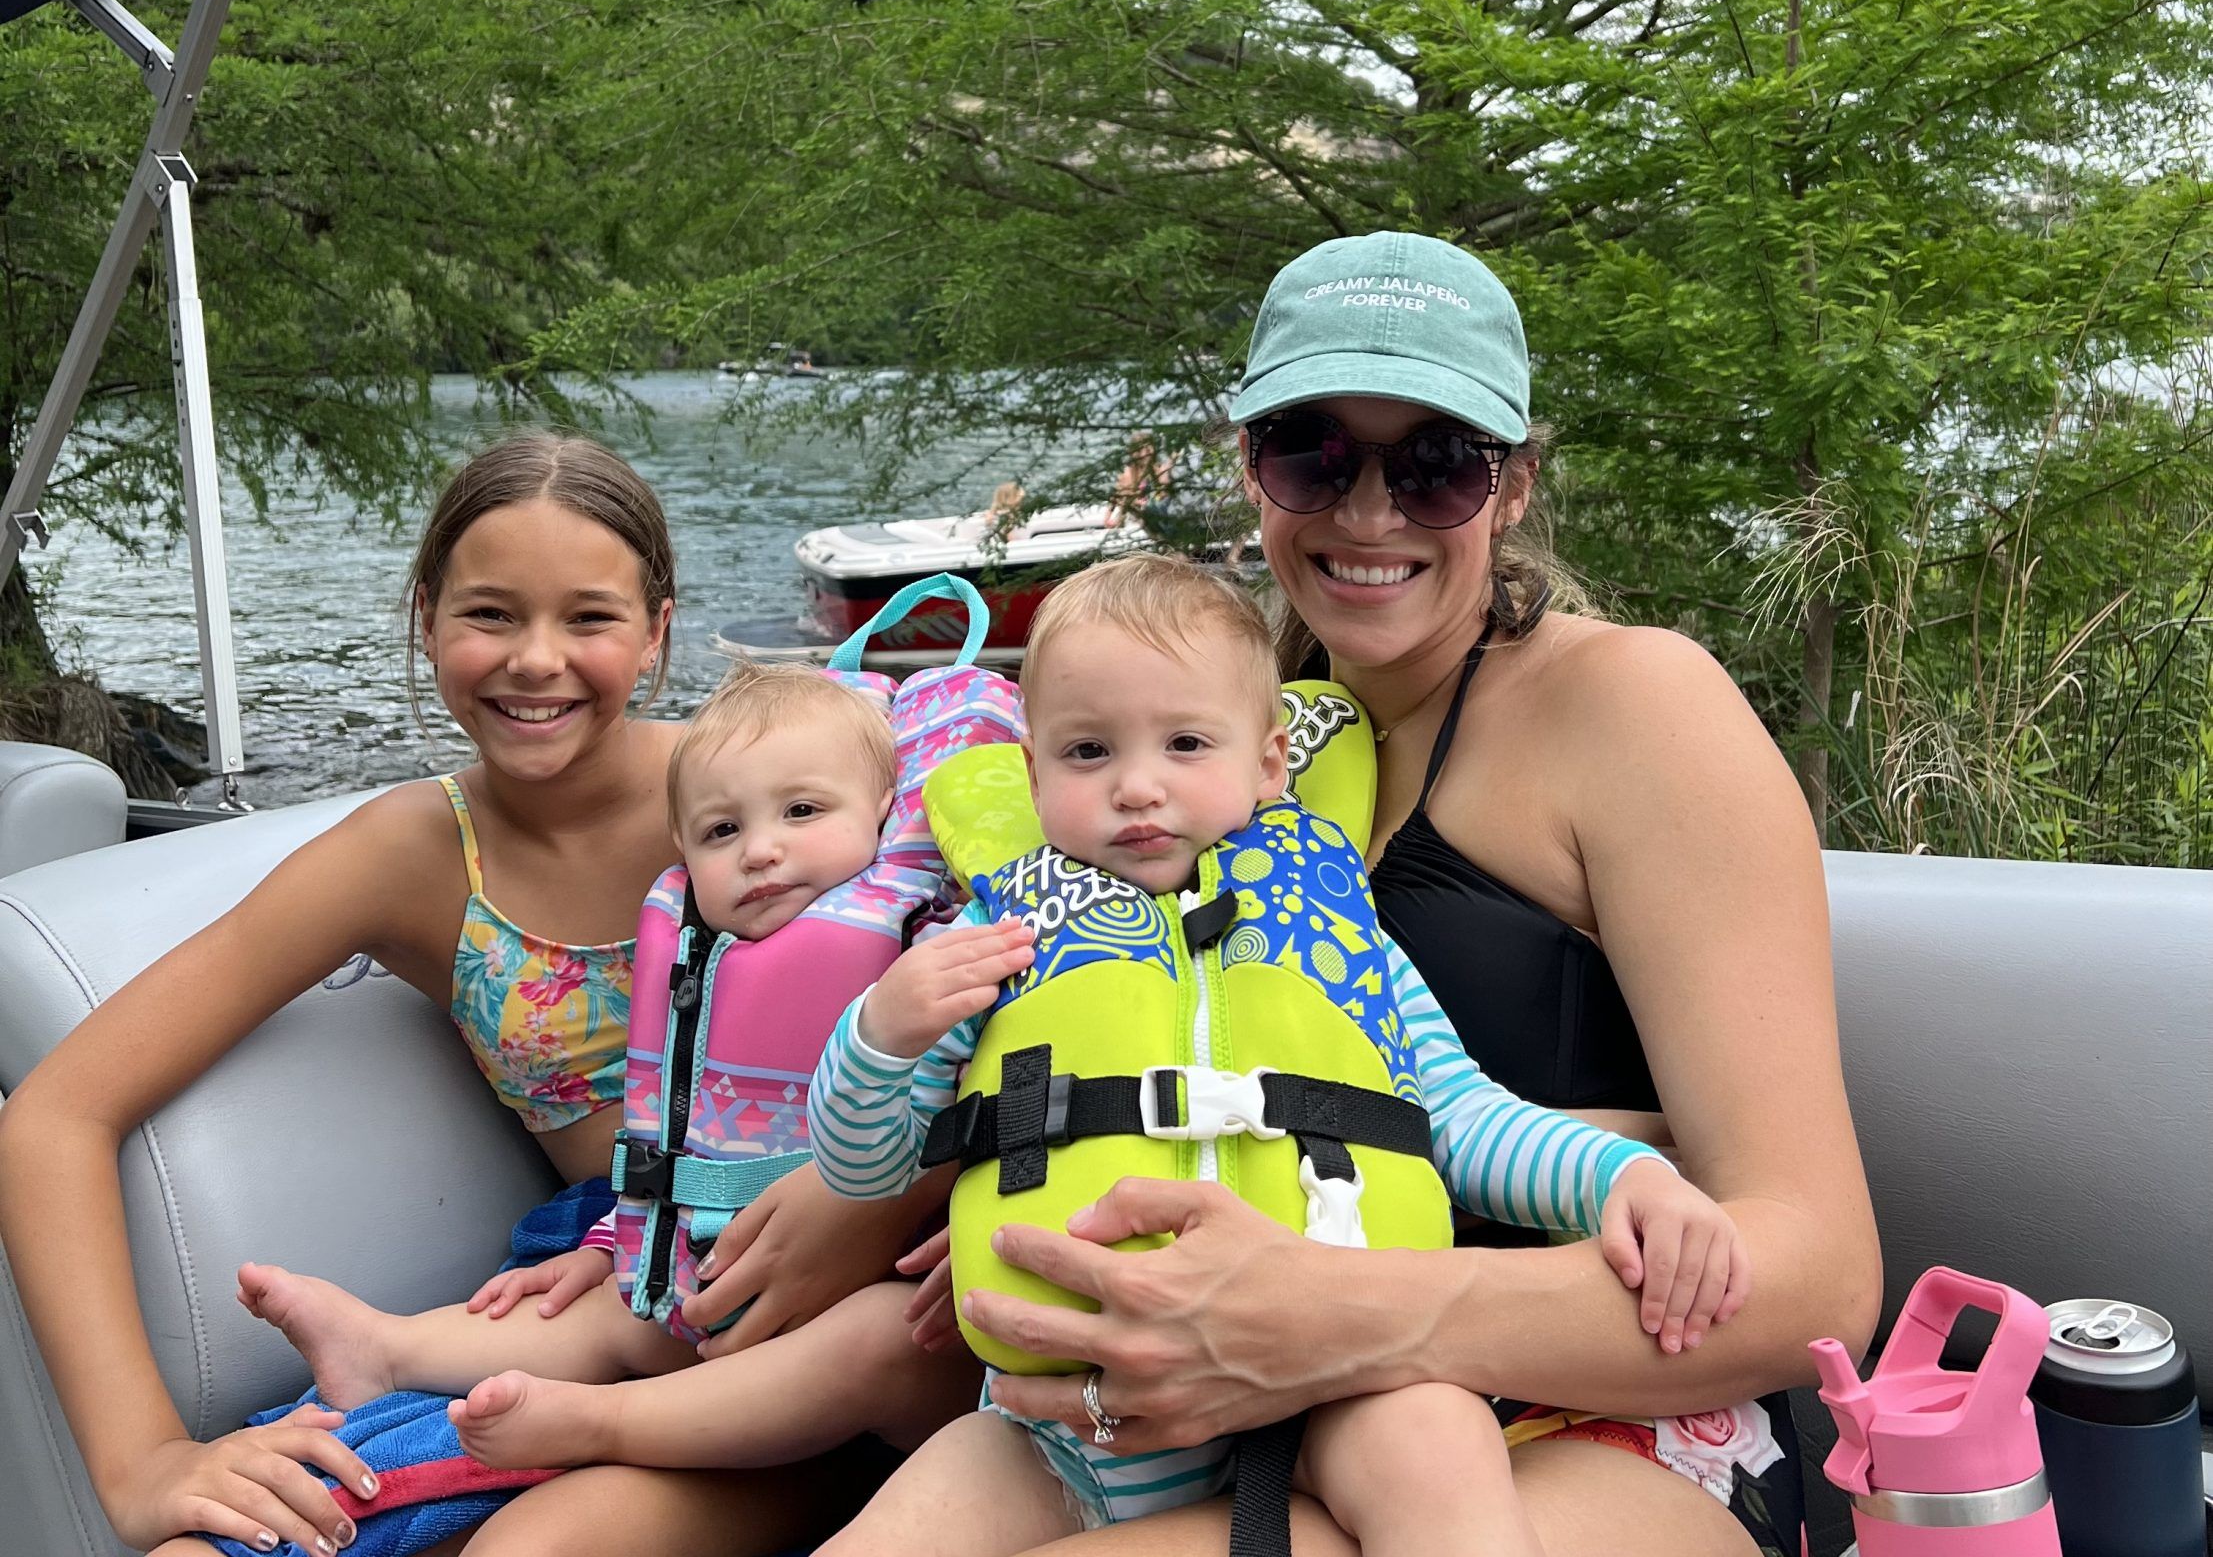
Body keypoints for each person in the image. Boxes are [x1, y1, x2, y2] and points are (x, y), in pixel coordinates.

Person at [946, 233, 1883, 1557]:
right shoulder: (1208, 754)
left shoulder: (1631, 706)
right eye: (1311, 454)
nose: (1368, 512)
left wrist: (1321, 1315)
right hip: (1231, 1411)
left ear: (1512, 486)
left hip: (1585, 1423)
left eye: (1436, 463)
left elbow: (1816, 1275)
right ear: (1252, 467)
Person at [0, 436, 942, 1557]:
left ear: (656, 630)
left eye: (589, 618)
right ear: (427, 619)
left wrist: (872, 1200)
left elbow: (1042, 984)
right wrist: (143, 1461)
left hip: (891, 1295)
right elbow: (57, 1113)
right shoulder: (406, 855)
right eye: (490, 614)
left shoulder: (782, 793)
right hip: (624, 1297)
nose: (536, 660)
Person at [801, 552, 1750, 1557]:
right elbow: (863, 1166)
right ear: (1033, 776)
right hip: (1062, 1437)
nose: (1136, 786)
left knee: (1429, 1434)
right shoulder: (989, 951)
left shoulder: (1337, 945)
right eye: (1087, 751)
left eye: (1183, 743)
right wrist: (876, 1037)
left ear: (1266, 766)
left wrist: (1622, 1180)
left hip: (1324, 1396)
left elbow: (1462, 1123)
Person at [225, 665, 975, 1480]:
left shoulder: (934, 942)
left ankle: (603, 1424)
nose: (761, 850)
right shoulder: (702, 959)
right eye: (722, 831)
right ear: (684, 850)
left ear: (884, 813)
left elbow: (980, 1109)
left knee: (871, 1335)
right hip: (715, 1278)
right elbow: (675, 1143)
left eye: (802, 812)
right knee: (611, 1316)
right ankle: (386, 1348)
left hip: (887, 1285)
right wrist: (618, 1240)